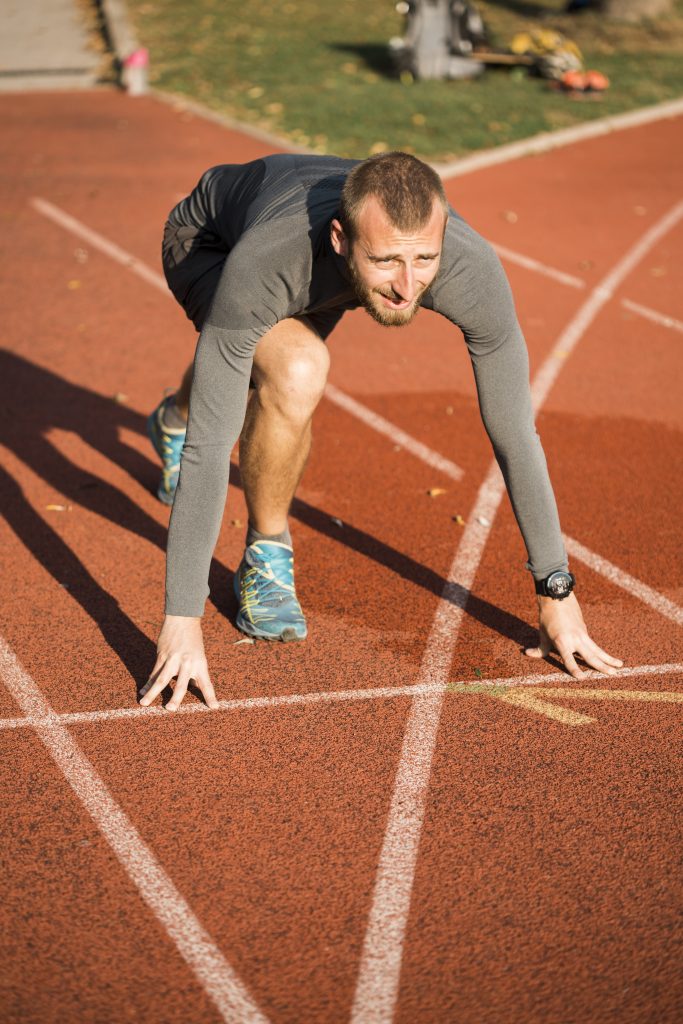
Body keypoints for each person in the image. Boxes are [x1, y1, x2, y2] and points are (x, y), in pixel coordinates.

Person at [139, 152, 622, 711]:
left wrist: (556, 592)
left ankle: (177, 410)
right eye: (388, 260)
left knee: (249, 352)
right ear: (342, 239)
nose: (407, 285)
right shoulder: (269, 260)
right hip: (210, 242)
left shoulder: (468, 268)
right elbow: (209, 448)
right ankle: (267, 551)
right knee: (294, 368)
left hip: (321, 272)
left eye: (425, 259)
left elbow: (515, 432)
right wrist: (182, 620)